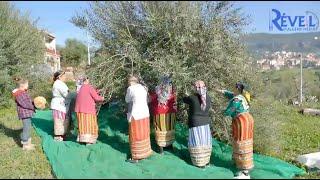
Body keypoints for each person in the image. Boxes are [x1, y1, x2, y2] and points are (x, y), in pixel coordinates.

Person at [216, 82, 254, 179]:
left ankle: (244, 171)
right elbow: (229, 94)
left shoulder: (236, 100)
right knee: (244, 142)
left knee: (241, 143)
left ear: (237, 89)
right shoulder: (241, 96)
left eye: (233, 87)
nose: (232, 89)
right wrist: (221, 91)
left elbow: (228, 111)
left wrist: (218, 112)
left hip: (242, 123)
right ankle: (240, 164)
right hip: (246, 120)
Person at [183, 80, 212, 168]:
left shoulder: (192, 98)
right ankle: (206, 161)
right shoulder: (208, 97)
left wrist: (186, 94)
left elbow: (184, 99)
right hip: (205, 123)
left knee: (197, 143)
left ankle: (199, 163)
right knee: (205, 142)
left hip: (195, 123)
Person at [125, 75, 153, 163]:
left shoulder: (130, 88)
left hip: (136, 114)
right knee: (143, 133)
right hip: (144, 113)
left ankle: (136, 157)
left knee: (135, 134)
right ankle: (145, 153)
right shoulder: (143, 87)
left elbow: (127, 100)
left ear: (130, 82)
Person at [149, 75, 177, 154]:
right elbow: (174, 100)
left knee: (160, 129)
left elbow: (152, 99)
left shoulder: (157, 90)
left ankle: (161, 147)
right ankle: (169, 145)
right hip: (170, 112)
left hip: (160, 112)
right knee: (169, 128)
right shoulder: (171, 91)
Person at [75, 77, 104, 145]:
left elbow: (88, 93)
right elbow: (96, 97)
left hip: (80, 109)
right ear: (87, 80)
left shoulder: (81, 88)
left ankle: (82, 139)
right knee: (89, 125)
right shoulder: (89, 87)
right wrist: (102, 98)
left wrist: (96, 91)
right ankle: (88, 141)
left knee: (82, 125)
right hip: (88, 110)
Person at [12, 78, 36, 150]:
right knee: (26, 128)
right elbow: (25, 104)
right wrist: (33, 106)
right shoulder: (20, 93)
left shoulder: (22, 92)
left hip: (27, 113)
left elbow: (27, 101)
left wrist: (32, 102)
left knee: (28, 127)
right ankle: (25, 145)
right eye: (27, 84)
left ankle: (28, 143)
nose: (28, 85)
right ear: (23, 85)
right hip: (24, 113)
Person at [51, 70, 69, 141]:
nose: (65, 77)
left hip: (61, 104)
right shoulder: (58, 84)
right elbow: (66, 94)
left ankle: (62, 134)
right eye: (64, 76)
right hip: (58, 105)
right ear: (59, 77)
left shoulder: (60, 83)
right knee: (59, 120)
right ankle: (58, 136)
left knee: (62, 120)